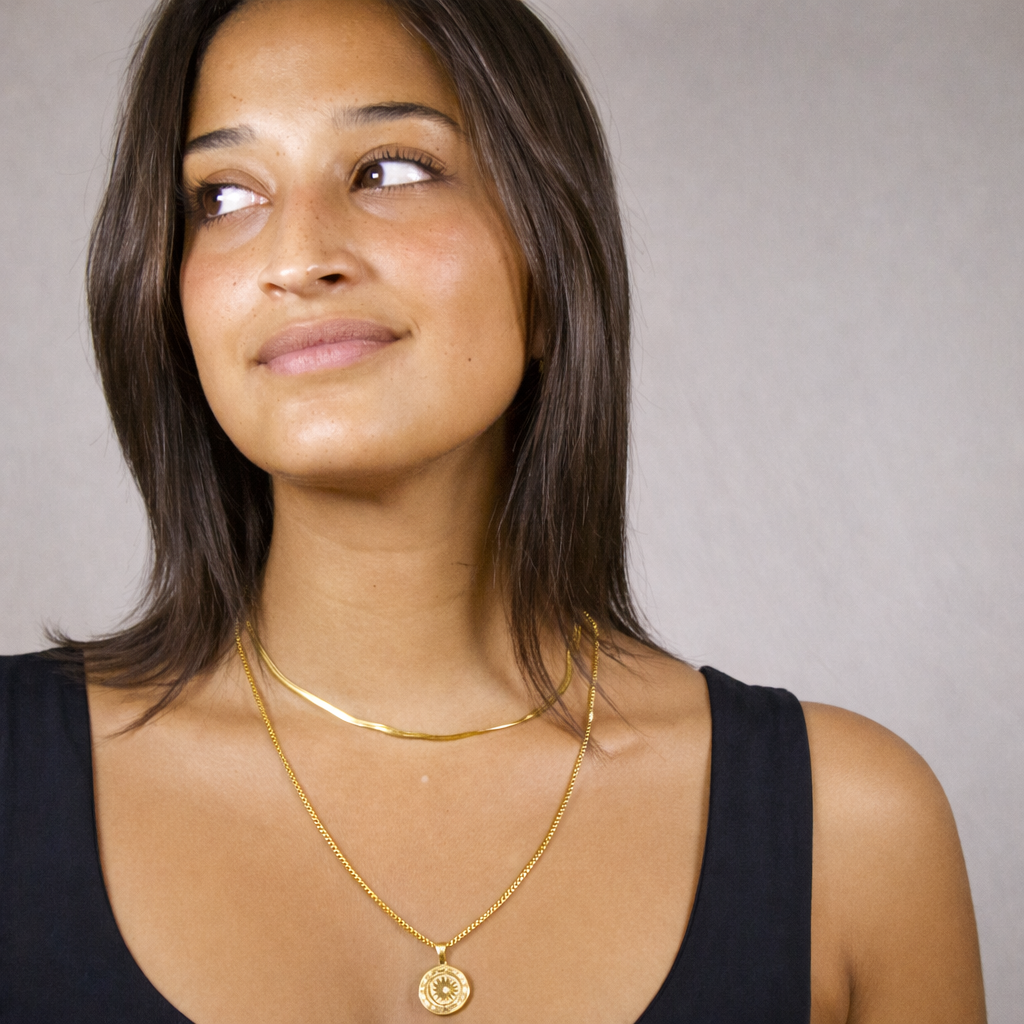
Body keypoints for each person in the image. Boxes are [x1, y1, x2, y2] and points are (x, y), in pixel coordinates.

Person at [0, 0, 986, 1020]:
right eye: (225, 193)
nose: (297, 255)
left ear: (549, 265)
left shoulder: (851, 834)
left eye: (389, 169)